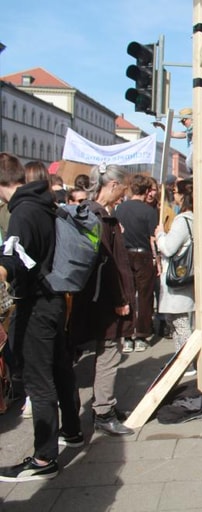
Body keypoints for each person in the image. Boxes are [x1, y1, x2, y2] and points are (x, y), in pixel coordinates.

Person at [0, 152, 81, 482]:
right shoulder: (45, 203)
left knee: (38, 380)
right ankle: (72, 431)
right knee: (60, 369)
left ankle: (44, 458)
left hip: (36, 304)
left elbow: (13, 259)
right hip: (54, 298)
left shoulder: (22, 211)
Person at [68, 164, 134, 436]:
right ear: (113, 185)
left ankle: (105, 406)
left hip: (96, 298)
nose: (124, 194)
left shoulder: (93, 214)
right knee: (109, 354)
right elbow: (106, 265)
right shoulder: (99, 218)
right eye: (122, 188)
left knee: (107, 353)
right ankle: (104, 411)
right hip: (106, 301)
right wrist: (120, 298)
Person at [155, 179, 196, 376]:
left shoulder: (183, 220)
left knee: (180, 323)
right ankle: (180, 361)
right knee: (177, 322)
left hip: (177, 278)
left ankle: (186, 363)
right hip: (187, 276)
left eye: (176, 193)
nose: (175, 196)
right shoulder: (196, 218)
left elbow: (169, 248)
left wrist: (160, 235)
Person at [114, 174, 159, 353]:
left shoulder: (119, 209)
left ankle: (127, 335)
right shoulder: (149, 211)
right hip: (144, 255)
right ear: (147, 191)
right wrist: (157, 260)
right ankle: (141, 334)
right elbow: (153, 239)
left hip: (124, 254)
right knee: (145, 297)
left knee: (128, 294)